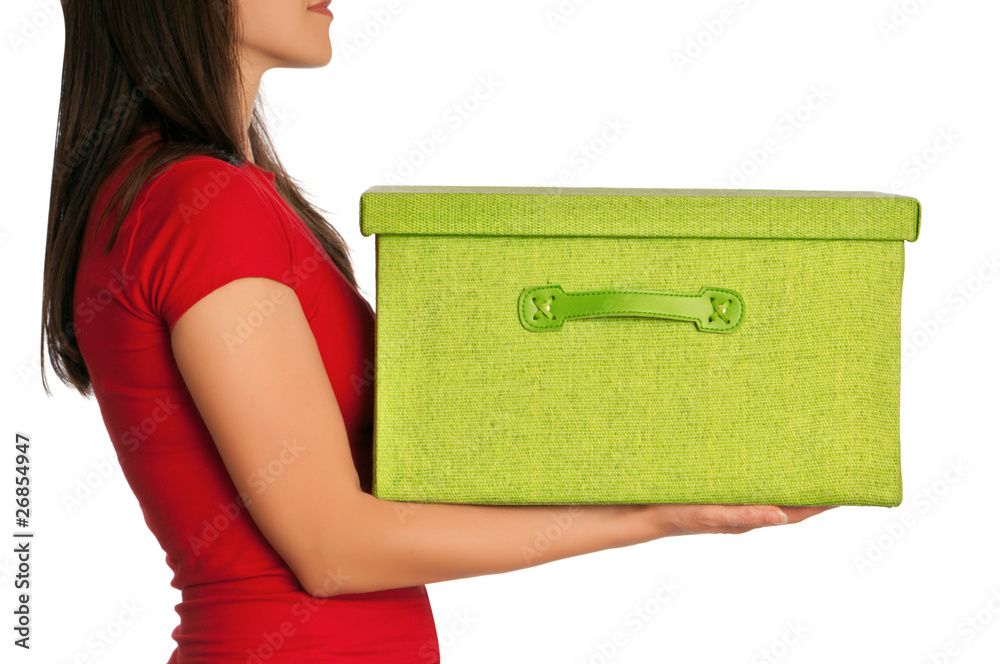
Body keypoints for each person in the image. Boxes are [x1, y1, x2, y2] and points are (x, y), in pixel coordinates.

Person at [40, 1, 835, 661]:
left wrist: (678, 469)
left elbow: (400, 480)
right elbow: (332, 549)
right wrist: (658, 516)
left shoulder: (190, 194)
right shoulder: (200, 204)